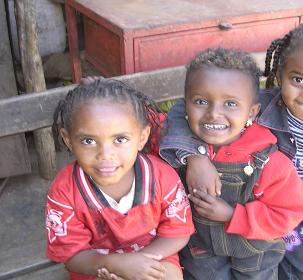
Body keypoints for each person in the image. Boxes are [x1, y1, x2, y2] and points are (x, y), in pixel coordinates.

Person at [159, 22, 303, 280]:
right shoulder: (260, 106)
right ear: (281, 74)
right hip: (296, 223)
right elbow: (186, 108)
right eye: (298, 80)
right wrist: (196, 156)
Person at [160, 48, 303, 279]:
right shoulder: (178, 147)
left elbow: (291, 211)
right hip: (202, 254)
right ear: (186, 106)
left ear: (252, 112)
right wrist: (195, 156)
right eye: (201, 101)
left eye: (230, 104)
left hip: (255, 256)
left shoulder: (269, 161)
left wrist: (233, 215)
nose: (213, 114)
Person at [45, 79, 194, 280]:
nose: (105, 154)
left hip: (152, 257)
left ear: (142, 138)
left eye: (120, 140)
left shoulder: (162, 177)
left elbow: (178, 232)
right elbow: (71, 254)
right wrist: (115, 265)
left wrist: (137, 264)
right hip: (96, 266)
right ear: (68, 139)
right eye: (88, 141)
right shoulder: (65, 190)